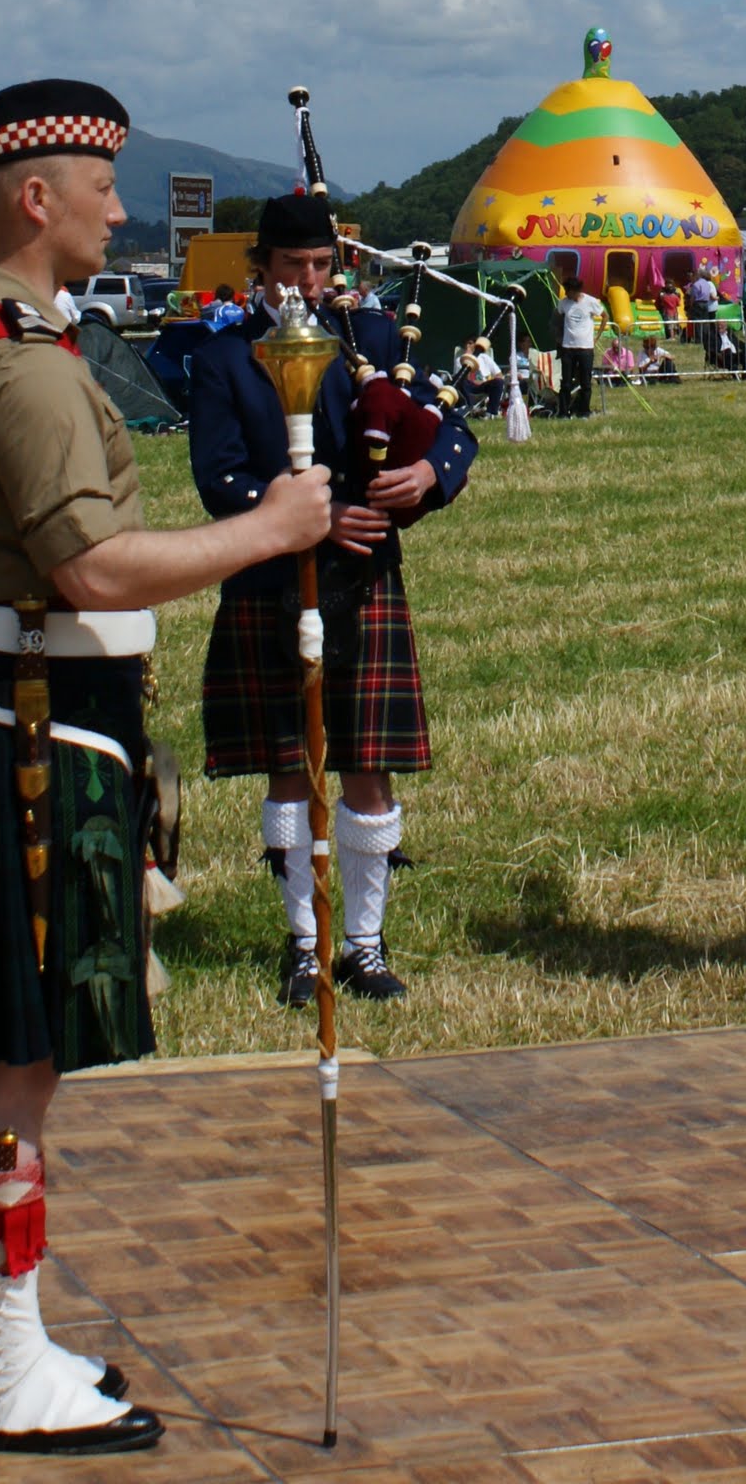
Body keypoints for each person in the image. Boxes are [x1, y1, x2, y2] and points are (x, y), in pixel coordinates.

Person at [0, 81, 331, 1455]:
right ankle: (0, 1376)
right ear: (34, 200)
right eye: (98, 181)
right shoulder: (25, 363)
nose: (117, 201)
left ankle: (6, 1349)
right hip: (19, 736)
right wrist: (274, 530)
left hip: (9, 713)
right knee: (12, 1061)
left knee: (2, 1054)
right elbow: (91, 565)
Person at [188, 193, 477, 1008]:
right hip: (271, 581)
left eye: (320, 267)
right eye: (291, 268)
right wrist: (312, 521)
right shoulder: (223, 360)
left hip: (365, 580)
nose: (307, 284)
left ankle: (364, 943)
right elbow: (220, 480)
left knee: (366, 768)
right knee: (289, 768)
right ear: (261, 272)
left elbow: (454, 429)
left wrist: (430, 475)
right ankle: (304, 944)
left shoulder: (377, 340)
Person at [553, 275, 601, 417]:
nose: (567, 294)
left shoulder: (590, 302)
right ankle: (563, 412)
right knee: (566, 382)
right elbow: (557, 318)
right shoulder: (563, 304)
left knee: (586, 382)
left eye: (569, 291)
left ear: (576, 290)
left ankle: (584, 411)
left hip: (586, 348)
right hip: (568, 348)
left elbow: (605, 316)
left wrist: (596, 337)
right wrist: (559, 337)